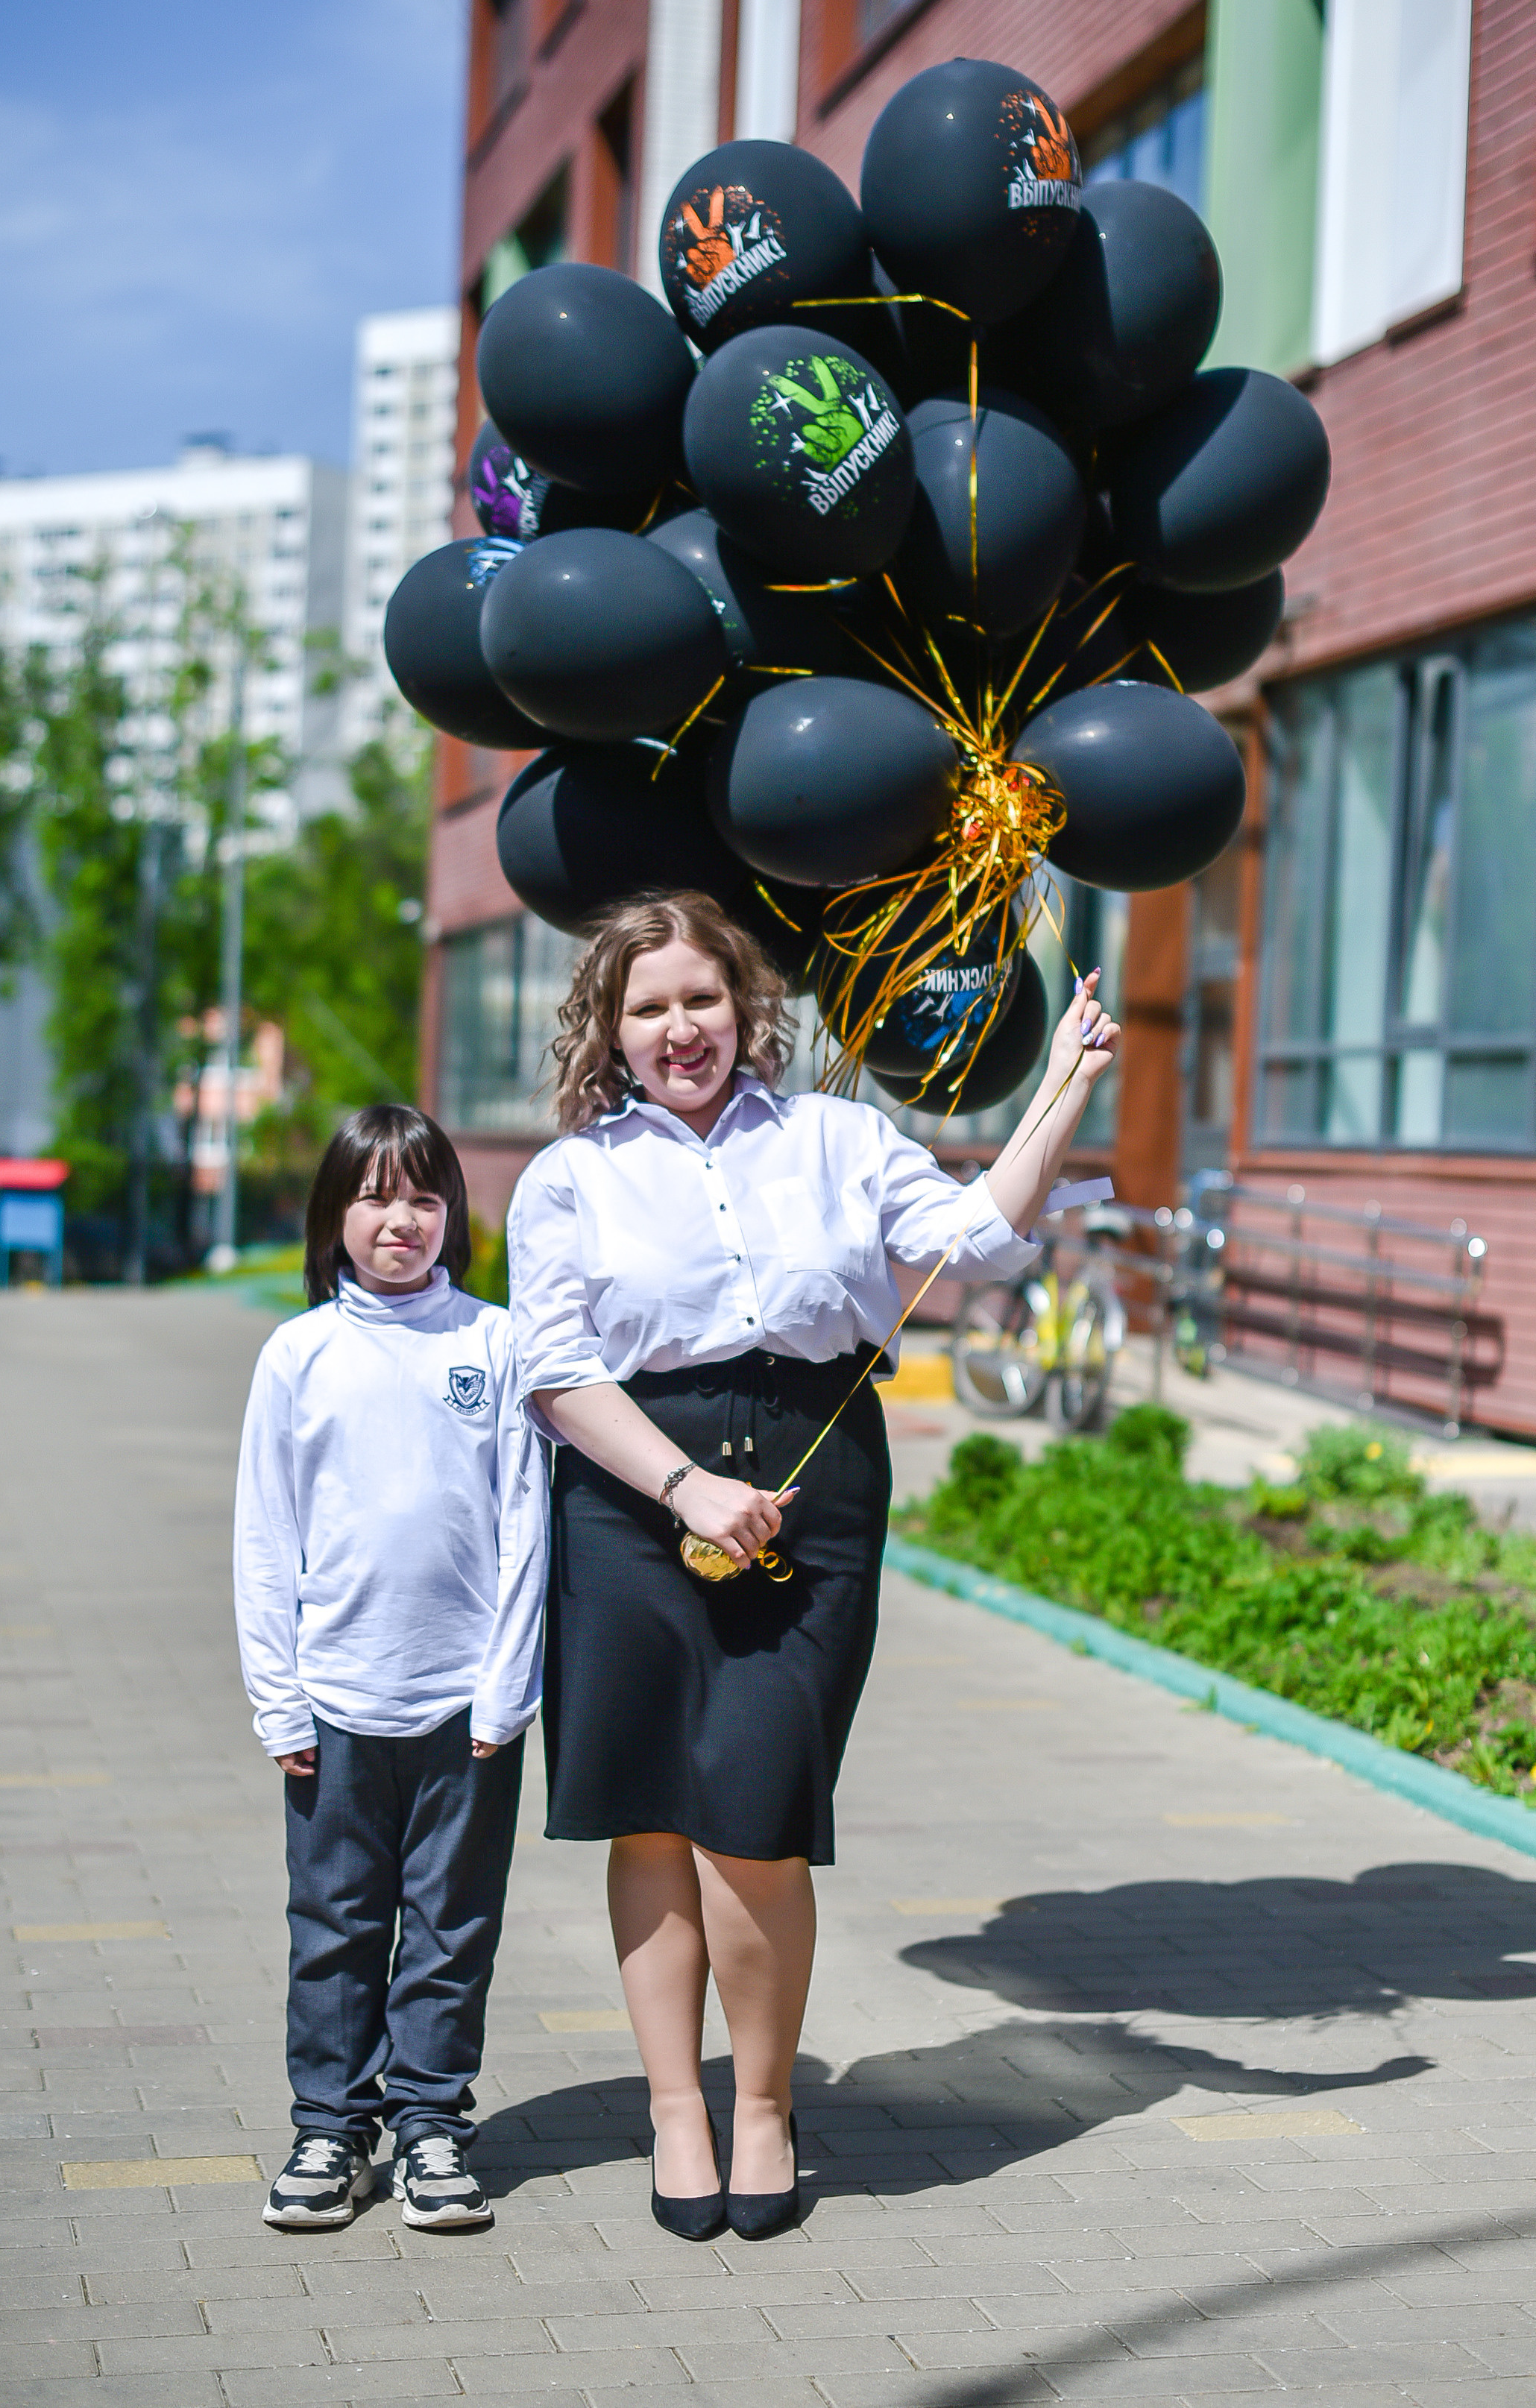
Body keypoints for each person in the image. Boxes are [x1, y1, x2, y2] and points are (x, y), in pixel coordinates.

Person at [506, 890, 1118, 2241]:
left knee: (755, 1810)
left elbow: (973, 1239)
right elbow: (553, 1369)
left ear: (748, 1004)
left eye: (704, 998)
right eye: (651, 1005)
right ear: (611, 1024)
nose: (683, 1028)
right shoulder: (572, 1174)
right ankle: (679, 2109)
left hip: (812, 1490)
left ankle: (766, 2104)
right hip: (632, 1498)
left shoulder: (842, 1138)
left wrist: (1060, 1090)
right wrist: (685, 1486)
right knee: (651, 1811)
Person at [233, 1104, 548, 2235]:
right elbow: (265, 1540)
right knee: (335, 1925)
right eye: (372, 1196)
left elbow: (527, 1523)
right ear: (335, 1218)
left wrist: (509, 1686)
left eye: (422, 1195)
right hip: (334, 1705)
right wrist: (280, 1696)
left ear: (453, 1213)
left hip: (465, 1707)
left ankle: (430, 2128)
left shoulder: (494, 1343)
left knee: (453, 1927)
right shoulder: (299, 1355)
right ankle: (330, 2127)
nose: (399, 1219)